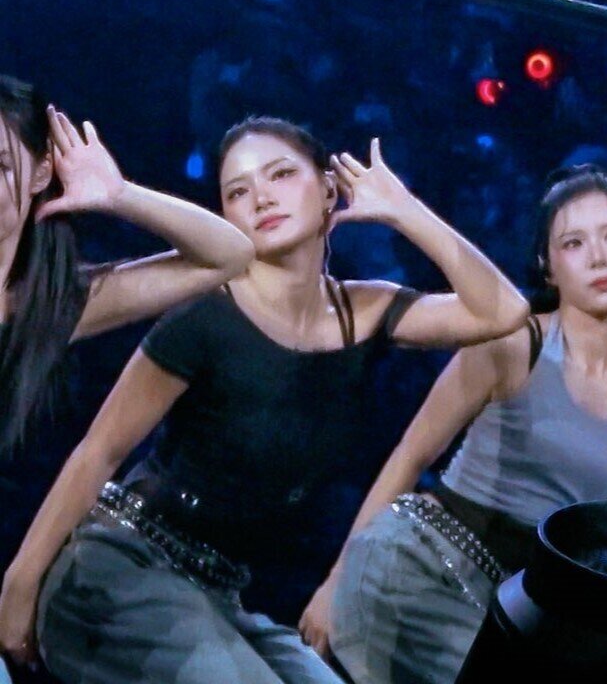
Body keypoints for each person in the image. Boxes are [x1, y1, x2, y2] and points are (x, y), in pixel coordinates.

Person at [0, 116, 530, 683]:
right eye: (238, 191)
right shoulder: (207, 313)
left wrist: (406, 211)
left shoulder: (364, 311)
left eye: (281, 175)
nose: (261, 198)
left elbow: (502, 311)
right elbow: (98, 452)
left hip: (219, 594)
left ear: (329, 190)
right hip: (122, 570)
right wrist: (18, 587)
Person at [305, 165, 607, 684]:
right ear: (549, 266)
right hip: (418, 568)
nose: (599, 257)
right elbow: (411, 456)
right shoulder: (513, 345)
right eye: (573, 243)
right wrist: (334, 582)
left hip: (515, 596)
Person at [1, 77, 256, 457]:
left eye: (0, 165)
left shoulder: (51, 304)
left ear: (40, 174)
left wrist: (119, 195)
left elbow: (229, 254)